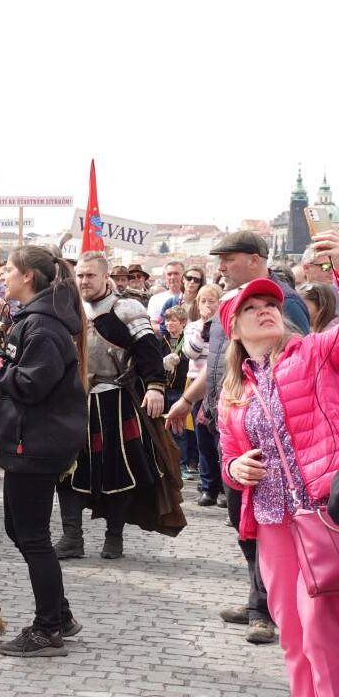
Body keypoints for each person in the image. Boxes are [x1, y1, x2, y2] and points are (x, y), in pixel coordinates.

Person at [165, 230, 311, 644]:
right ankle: (257, 599)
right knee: (242, 522)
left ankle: (267, 610)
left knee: (270, 526)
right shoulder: (229, 307)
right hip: (230, 425)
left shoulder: (282, 303)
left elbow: (294, 355)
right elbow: (222, 364)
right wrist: (189, 401)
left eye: (228, 258)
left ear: (254, 258)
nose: (221, 266)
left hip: (272, 438)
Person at [216, 259, 339, 696]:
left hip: (322, 514)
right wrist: (235, 468)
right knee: (291, 631)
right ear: (234, 328)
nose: (266, 309)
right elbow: (228, 456)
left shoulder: (314, 353)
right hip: (271, 522)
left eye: (272, 303)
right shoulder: (234, 393)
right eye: (253, 308)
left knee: (322, 631)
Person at [0, 245, 87, 657]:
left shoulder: (44, 327)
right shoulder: (34, 321)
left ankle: (47, 629)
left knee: (33, 537)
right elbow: (18, 372)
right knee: (17, 530)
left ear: (29, 278)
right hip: (28, 440)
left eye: (9, 269)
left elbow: (32, 385)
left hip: (36, 444)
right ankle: (61, 612)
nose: (4, 275)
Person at [57, 251, 173, 561]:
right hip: (73, 401)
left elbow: (149, 351)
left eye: (90, 275)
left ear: (105, 277)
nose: (84, 281)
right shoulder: (67, 309)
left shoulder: (126, 309)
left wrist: (155, 387)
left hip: (114, 400)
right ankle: (71, 538)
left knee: (118, 471)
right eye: (80, 275)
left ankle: (114, 538)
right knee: (66, 470)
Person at [183, 283, 224, 504]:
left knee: (221, 437)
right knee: (202, 438)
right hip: (197, 386)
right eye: (203, 301)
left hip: (220, 385)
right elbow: (190, 351)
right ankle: (208, 486)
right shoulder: (193, 327)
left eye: (211, 301)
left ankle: (225, 488)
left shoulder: (226, 326)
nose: (206, 305)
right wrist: (204, 328)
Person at [161, 305, 197, 480]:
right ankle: (167, 463)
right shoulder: (161, 339)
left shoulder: (188, 340)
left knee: (179, 430)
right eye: (167, 320)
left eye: (173, 320)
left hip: (181, 390)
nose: (169, 324)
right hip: (164, 389)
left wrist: (180, 360)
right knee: (164, 427)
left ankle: (182, 464)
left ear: (183, 323)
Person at [148, 260, 185, 326]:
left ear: (184, 276)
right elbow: (153, 325)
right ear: (165, 277)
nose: (172, 277)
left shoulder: (193, 298)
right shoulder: (155, 299)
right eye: (169, 274)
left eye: (176, 273)